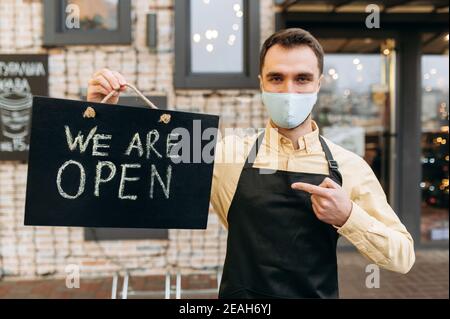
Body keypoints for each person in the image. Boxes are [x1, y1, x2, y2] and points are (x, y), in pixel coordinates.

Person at [87, 28, 415, 299]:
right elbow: (135, 180)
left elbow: (402, 257)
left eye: (302, 79)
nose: (289, 90)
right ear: (262, 83)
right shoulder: (226, 155)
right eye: (276, 78)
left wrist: (348, 216)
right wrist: (104, 117)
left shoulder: (349, 167)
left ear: (318, 84)